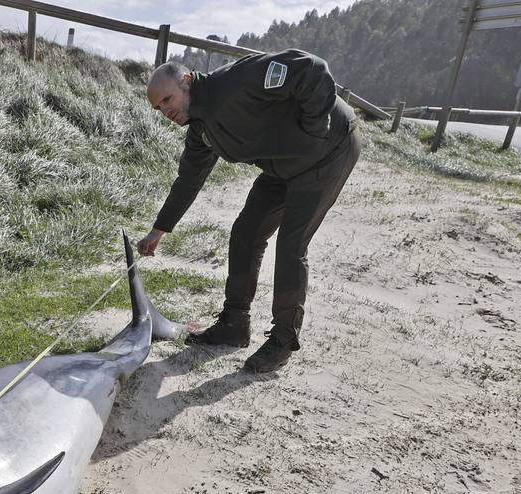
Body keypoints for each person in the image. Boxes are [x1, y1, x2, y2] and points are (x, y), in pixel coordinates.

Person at [137, 52, 361, 373]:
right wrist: (158, 231)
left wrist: (316, 129)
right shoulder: (200, 130)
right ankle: (235, 324)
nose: (165, 111)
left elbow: (310, 69)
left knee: (291, 245)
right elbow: (188, 181)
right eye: (158, 107)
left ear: (186, 81)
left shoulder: (238, 81)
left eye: (167, 99)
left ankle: (283, 339)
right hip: (282, 167)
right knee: (246, 233)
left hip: (329, 149)